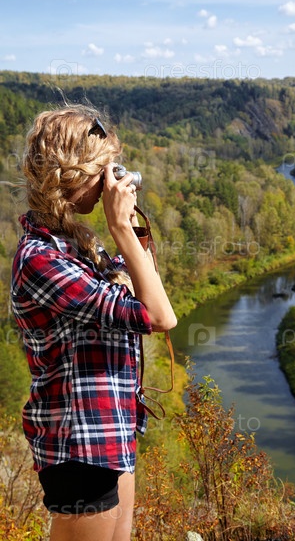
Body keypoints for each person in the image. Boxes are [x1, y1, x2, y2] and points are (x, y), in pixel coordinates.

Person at [10, 105, 177, 541]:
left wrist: (129, 232)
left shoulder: (79, 246)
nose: (111, 181)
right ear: (72, 176)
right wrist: (120, 228)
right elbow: (159, 316)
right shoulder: (41, 260)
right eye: (102, 170)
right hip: (78, 444)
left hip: (111, 432)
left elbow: (146, 291)